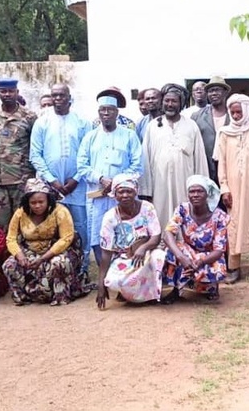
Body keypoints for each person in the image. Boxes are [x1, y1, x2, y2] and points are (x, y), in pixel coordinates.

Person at [30, 84, 92, 276]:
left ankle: (81, 269)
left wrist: (76, 179)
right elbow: (35, 155)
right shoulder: (42, 122)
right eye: (54, 95)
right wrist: (52, 181)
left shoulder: (82, 122)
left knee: (80, 227)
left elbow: (88, 153)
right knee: (51, 227)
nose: (58, 98)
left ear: (69, 97)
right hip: (50, 187)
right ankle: (52, 270)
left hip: (78, 186)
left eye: (61, 95)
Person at [78, 91, 143, 268]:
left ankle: (125, 272)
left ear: (117, 113)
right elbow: (82, 165)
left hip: (122, 196)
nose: (106, 113)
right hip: (97, 195)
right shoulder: (90, 137)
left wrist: (117, 182)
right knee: (98, 233)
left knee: (125, 232)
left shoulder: (129, 136)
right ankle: (104, 272)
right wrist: (100, 179)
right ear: (98, 113)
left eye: (110, 110)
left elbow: (137, 166)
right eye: (102, 110)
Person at [2, 178, 84, 305]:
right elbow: (11, 238)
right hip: (29, 250)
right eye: (33, 202)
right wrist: (20, 256)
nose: (37, 206)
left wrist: (43, 258)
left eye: (41, 202)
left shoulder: (60, 211)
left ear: (48, 200)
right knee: (9, 265)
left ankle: (60, 296)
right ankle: (23, 295)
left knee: (59, 263)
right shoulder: (20, 213)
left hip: (56, 250)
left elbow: (66, 238)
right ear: (27, 202)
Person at [214, 94, 249, 284]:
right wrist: (224, 188)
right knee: (233, 226)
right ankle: (234, 268)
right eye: (233, 113)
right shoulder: (224, 132)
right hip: (233, 190)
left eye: (239, 112)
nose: (236, 116)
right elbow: (221, 162)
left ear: (246, 110)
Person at [139, 83, 209, 228]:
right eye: (167, 100)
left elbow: (200, 159)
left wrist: (201, 187)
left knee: (186, 219)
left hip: (185, 184)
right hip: (159, 185)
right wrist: (146, 190)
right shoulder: (153, 126)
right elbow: (145, 159)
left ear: (181, 104)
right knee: (160, 219)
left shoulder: (191, 126)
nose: (170, 104)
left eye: (174, 101)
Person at [95, 174, 165, 309]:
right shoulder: (110, 217)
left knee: (159, 257)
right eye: (121, 192)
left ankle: (151, 295)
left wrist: (143, 248)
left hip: (147, 252)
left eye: (129, 191)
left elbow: (156, 236)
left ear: (136, 192)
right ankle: (130, 295)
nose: (125, 195)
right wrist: (101, 284)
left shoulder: (147, 207)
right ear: (114, 195)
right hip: (124, 258)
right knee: (113, 280)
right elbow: (106, 253)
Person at [162, 175, 228, 302]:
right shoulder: (183, 209)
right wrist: (182, 257)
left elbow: (219, 250)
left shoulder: (219, 216)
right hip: (188, 252)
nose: (195, 195)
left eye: (200, 191)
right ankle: (176, 289)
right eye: (192, 191)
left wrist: (200, 262)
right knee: (171, 250)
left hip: (208, 255)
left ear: (207, 194)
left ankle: (211, 287)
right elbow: (168, 233)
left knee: (218, 267)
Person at [0, 78, 38, 228]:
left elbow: (36, 146)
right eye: (3, 91)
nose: (7, 94)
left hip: (21, 180)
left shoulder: (29, 117)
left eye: (11, 91)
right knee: (0, 224)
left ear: (17, 92)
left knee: (23, 222)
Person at [191, 76, 231, 183]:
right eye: (210, 91)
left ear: (225, 92)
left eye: (217, 90)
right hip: (205, 168)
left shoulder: (234, 115)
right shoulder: (197, 116)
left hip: (230, 168)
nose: (213, 93)